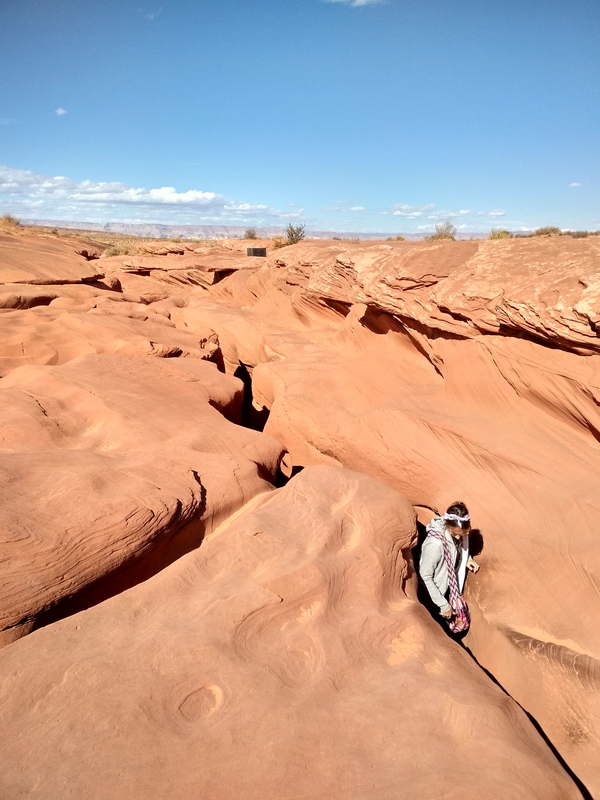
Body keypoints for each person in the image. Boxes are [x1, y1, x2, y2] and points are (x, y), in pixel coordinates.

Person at [419, 501, 480, 633]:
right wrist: (443, 605)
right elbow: (425, 576)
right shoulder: (434, 545)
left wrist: (466, 559)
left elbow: (456, 549)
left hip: (448, 587)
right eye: (455, 534)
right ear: (447, 525)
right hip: (433, 595)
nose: (458, 537)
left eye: (462, 534)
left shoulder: (455, 532)